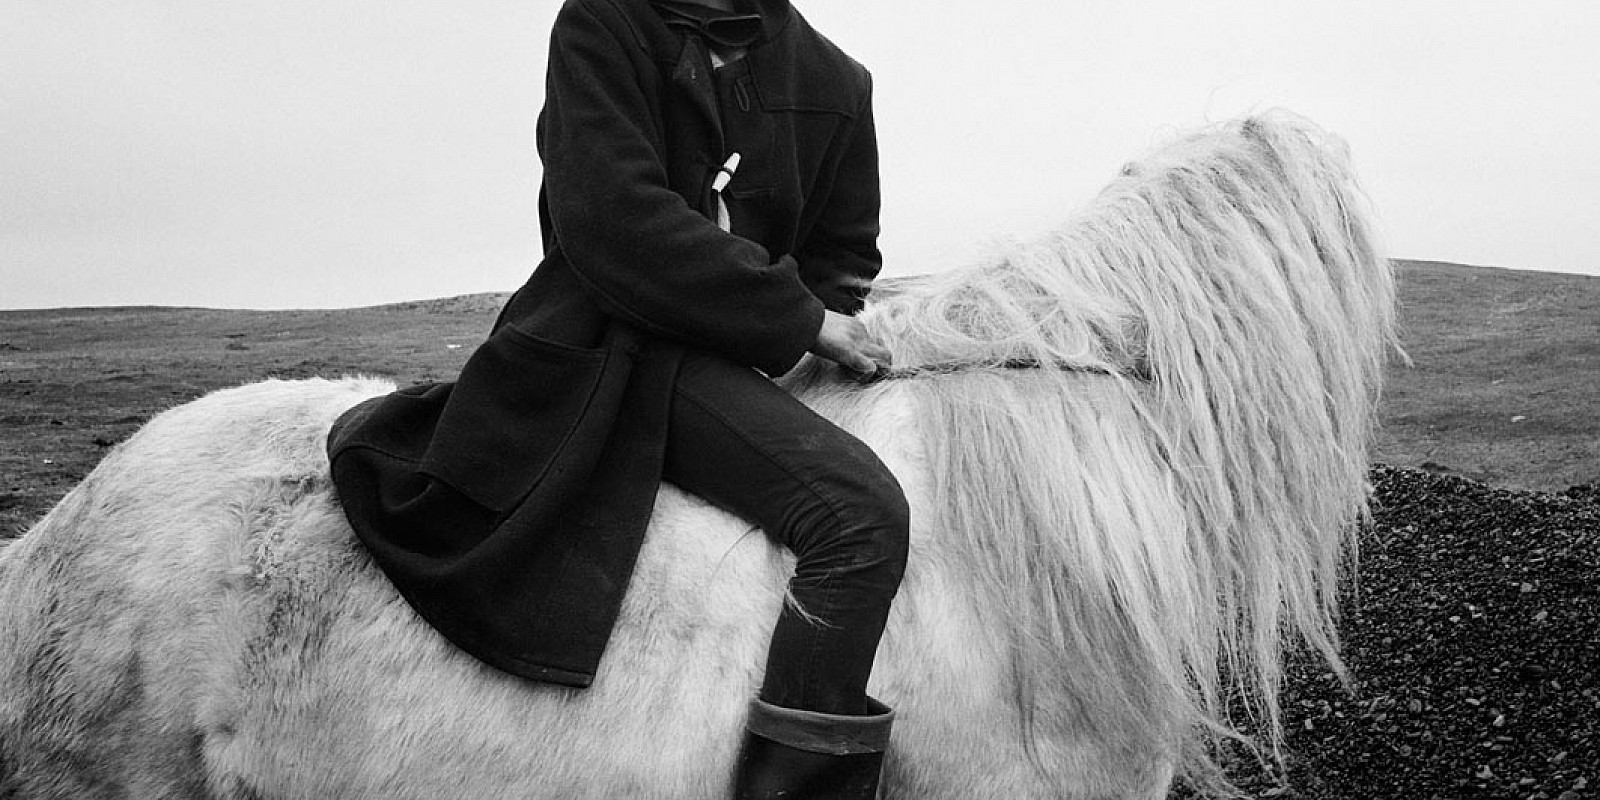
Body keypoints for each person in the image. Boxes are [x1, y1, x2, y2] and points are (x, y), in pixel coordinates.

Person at [326, 0, 908, 796]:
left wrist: (795, 340)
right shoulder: (603, 23)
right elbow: (609, 218)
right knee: (859, 513)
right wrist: (799, 320)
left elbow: (843, 255)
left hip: (738, 364)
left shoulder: (839, 80)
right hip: (602, 342)